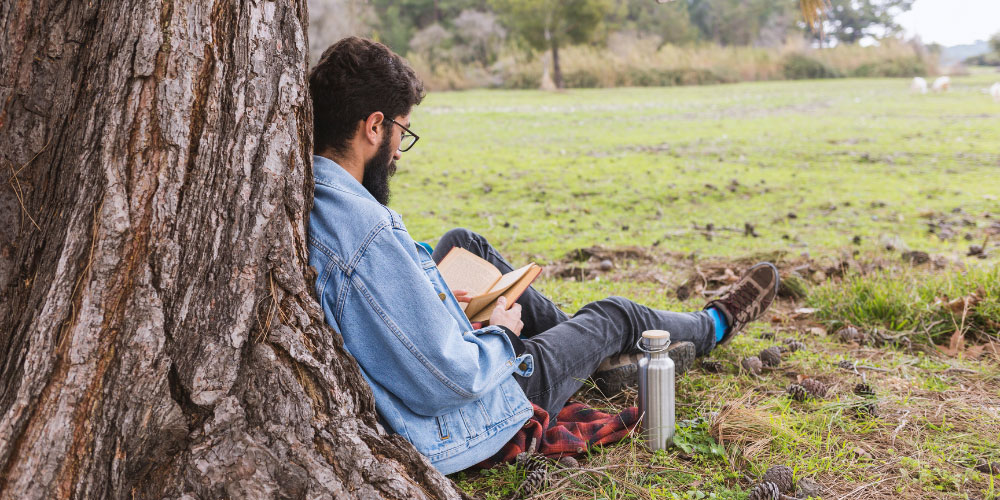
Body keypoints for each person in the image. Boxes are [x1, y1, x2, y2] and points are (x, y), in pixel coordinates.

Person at [306, 37, 779, 475]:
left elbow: (379, 302)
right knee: (613, 315)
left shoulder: (316, 193)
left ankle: (597, 360)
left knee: (464, 242)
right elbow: (450, 378)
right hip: (483, 406)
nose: (399, 155)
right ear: (373, 126)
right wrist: (501, 336)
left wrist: (431, 286)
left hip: (447, 367)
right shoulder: (368, 235)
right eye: (401, 134)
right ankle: (716, 323)